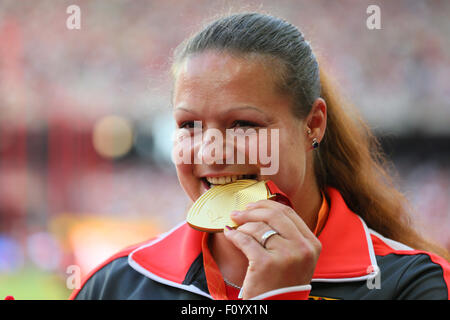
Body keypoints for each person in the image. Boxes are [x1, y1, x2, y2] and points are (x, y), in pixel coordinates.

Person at [70, 12, 449, 300]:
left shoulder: (414, 284)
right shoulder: (118, 283)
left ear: (313, 125)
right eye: (189, 125)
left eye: (243, 124)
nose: (211, 153)